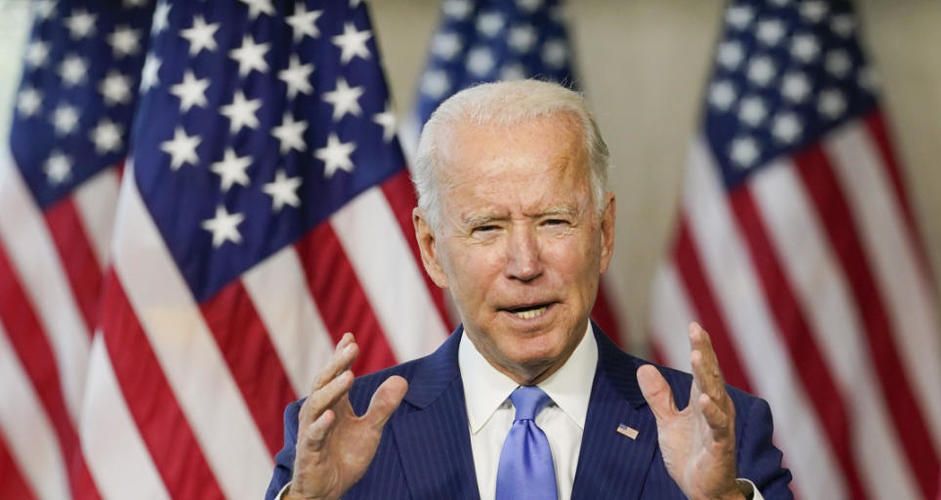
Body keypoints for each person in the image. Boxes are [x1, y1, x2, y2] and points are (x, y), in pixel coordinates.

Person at [265, 80, 792, 500]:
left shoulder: (724, 435)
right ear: (430, 248)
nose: (524, 264)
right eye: (487, 227)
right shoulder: (336, 436)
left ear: (604, 233)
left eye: (554, 221)